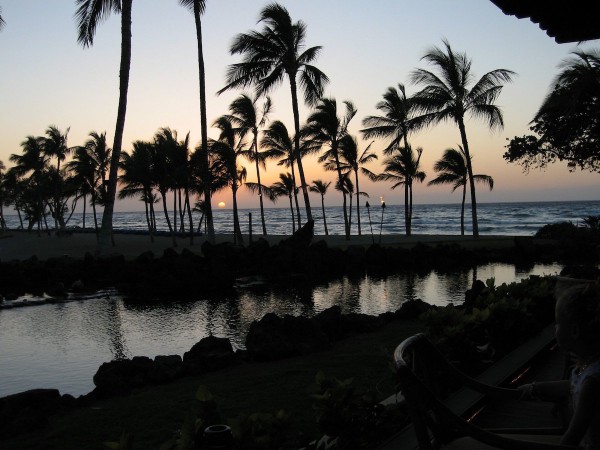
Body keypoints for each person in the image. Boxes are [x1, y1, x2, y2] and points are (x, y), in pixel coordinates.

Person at [519, 278, 600, 449]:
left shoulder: (593, 382)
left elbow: (572, 438)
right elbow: (571, 386)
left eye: (557, 323)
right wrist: (537, 387)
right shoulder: (588, 367)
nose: (555, 329)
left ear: (575, 331)